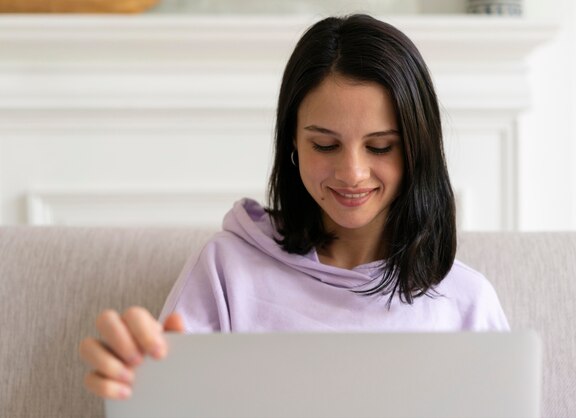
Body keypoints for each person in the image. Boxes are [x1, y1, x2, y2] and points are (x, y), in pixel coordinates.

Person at [79, 13, 510, 400]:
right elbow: (167, 401)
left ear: (419, 150)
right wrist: (148, 392)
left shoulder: (465, 302)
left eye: (380, 146)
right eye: (325, 144)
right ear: (293, 144)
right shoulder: (225, 269)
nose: (352, 173)